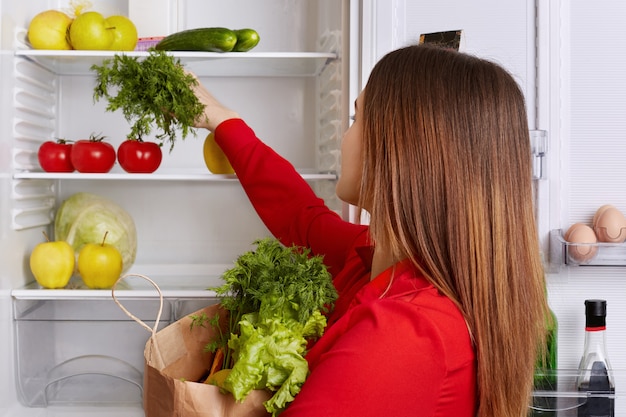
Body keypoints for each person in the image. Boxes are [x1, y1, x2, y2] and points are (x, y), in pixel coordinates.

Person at [188, 44, 549, 417]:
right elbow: (301, 217)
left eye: (356, 120)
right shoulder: (376, 260)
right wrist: (222, 119)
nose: (344, 138)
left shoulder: (403, 333)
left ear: (399, 150)